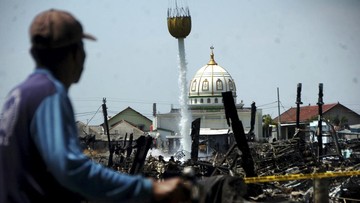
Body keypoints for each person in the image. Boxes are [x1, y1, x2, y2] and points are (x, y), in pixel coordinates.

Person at [0, 9, 190, 203]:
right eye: (82, 48)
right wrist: (148, 188)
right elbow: (69, 168)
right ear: (74, 54)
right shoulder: (49, 94)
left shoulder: (17, 96)